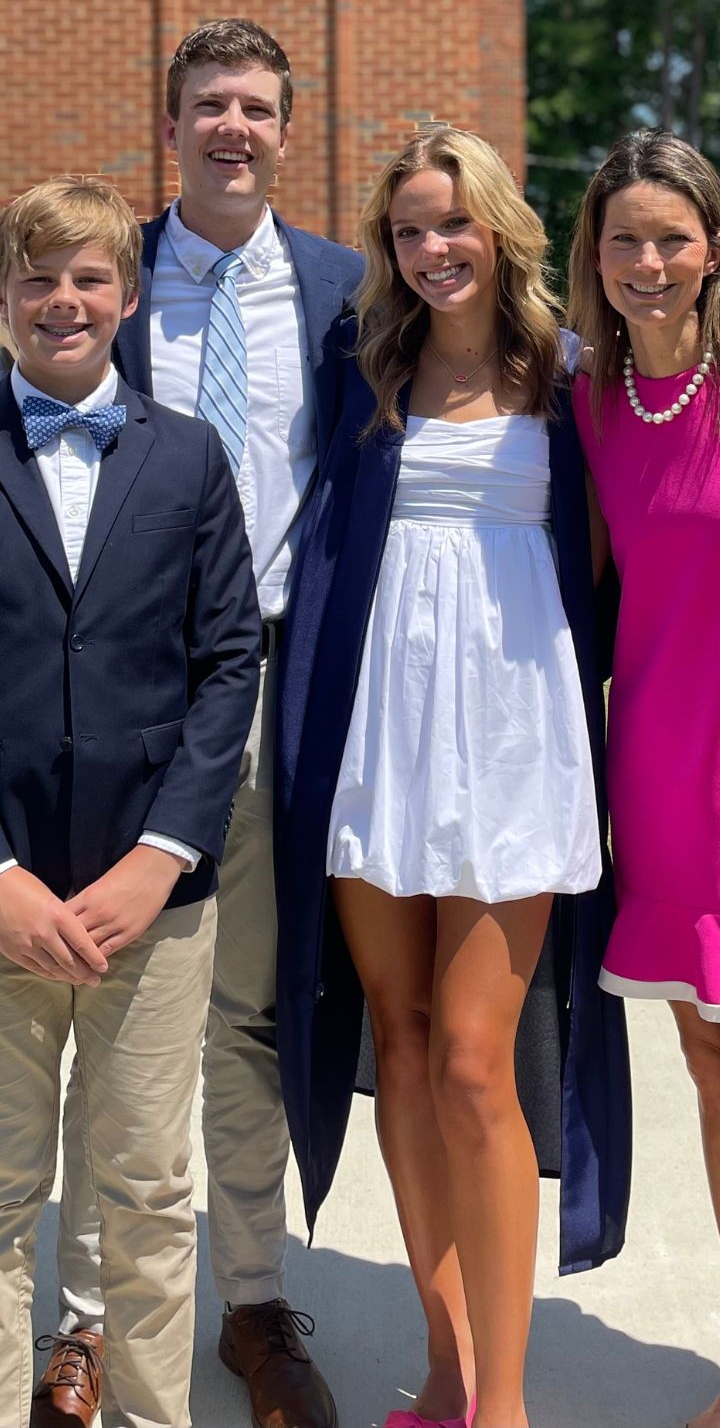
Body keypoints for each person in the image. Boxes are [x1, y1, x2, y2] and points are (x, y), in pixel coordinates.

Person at [274, 127, 633, 1428]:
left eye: (455, 223)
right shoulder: (365, 369)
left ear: (502, 230)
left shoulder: (571, 377)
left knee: (481, 1060)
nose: (434, 249)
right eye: (410, 229)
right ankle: (445, 1365)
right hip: (378, 732)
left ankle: (509, 1402)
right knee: (407, 1038)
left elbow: (619, 554)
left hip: (513, 745)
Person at [39, 17, 361, 1428]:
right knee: (106, 994)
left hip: (289, 695)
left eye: (256, 107)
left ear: (290, 127)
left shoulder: (350, 290)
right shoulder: (112, 281)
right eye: (208, 105)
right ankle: (92, 1318)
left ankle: (249, 1297)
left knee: (244, 1017)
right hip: (131, 694)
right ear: (170, 125)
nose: (233, 127)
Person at [0, 175, 260, 1428]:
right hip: (1, 900)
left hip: (152, 904)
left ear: (129, 295)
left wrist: (160, 857)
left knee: (151, 1192)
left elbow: (228, 666)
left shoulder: (191, 456)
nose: (65, 299)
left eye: (90, 276)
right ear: (5, 295)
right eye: (39, 275)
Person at [568, 127, 720, 1428]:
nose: (649, 261)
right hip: (664, 782)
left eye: (671, 236)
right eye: (624, 239)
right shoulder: (593, 407)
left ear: (712, 248)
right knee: (711, 1064)